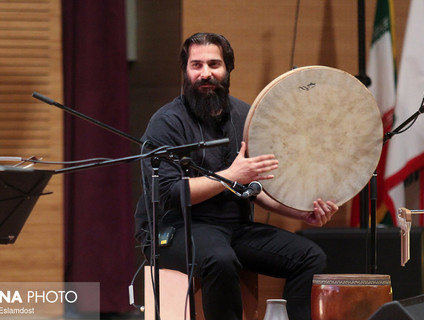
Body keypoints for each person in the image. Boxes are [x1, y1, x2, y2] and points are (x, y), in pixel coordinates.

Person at [135, 32, 339, 320]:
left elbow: (255, 186)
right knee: (220, 259)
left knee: (310, 257)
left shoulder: (247, 116)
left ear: (228, 69)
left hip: (234, 227)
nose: (206, 73)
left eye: (214, 64)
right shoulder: (166, 122)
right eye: (196, 65)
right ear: (185, 70)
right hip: (176, 228)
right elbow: (170, 194)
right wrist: (230, 175)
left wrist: (298, 212)